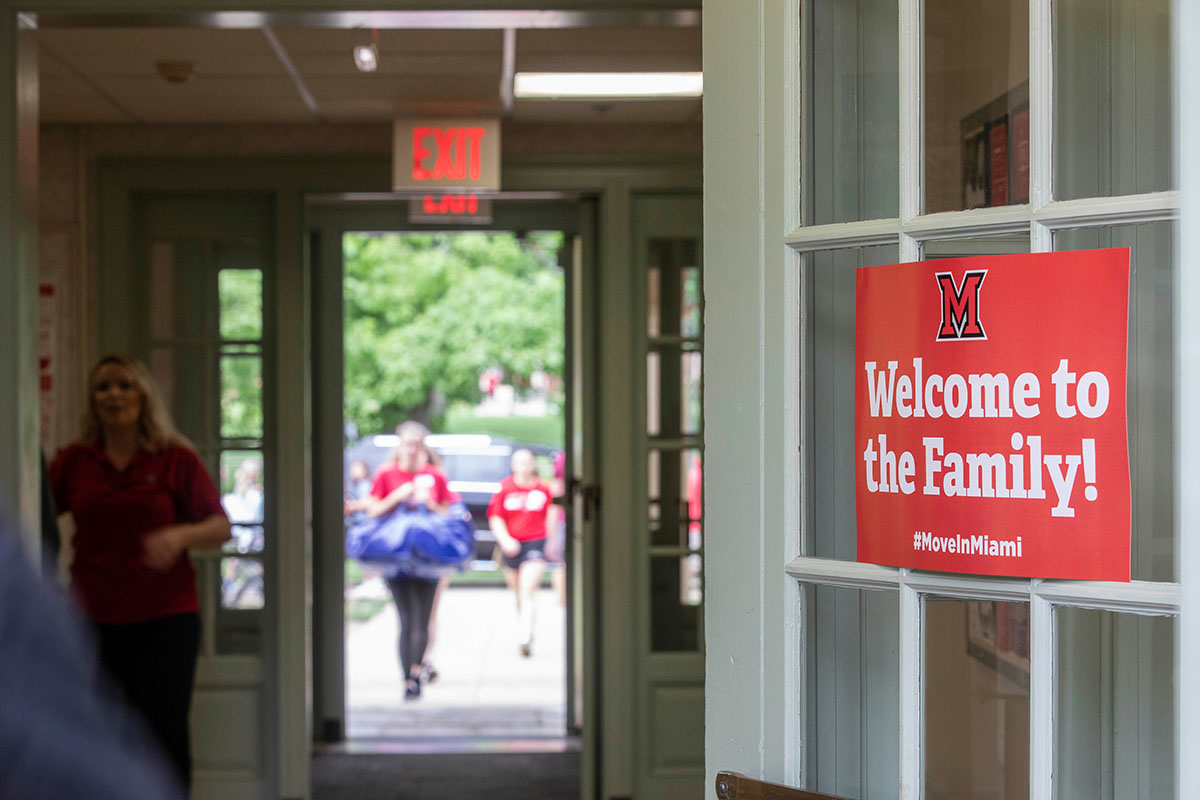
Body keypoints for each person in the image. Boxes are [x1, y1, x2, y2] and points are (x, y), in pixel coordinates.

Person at [48, 355, 232, 789]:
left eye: (125, 386)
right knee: (99, 732)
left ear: (143, 396)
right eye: (103, 387)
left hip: (165, 618)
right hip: (92, 618)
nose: (114, 395)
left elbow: (220, 526)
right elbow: (35, 517)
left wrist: (180, 536)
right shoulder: (75, 462)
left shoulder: (173, 459)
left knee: (163, 732)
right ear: (93, 401)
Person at [361, 420, 456, 700]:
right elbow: (372, 511)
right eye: (407, 444)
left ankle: (417, 672)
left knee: (423, 619)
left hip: (429, 559)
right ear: (399, 446)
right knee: (405, 619)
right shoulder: (386, 474)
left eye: (417, 445)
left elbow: (449, 515)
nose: (412, 450)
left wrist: (430, 504)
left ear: (424, 447)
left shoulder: (435, 476)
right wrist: (397, 497)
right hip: (396, 559)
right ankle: (407, 678)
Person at [488, 448, 560, 657]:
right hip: (512, 544)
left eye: (528, 461)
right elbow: (496, 517)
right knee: (518, 592)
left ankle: (525, 634)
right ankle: (524, 625)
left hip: (535, 543)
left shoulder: (543, 489)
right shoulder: (505, 488)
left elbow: (552, 515)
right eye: (519, 462)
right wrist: (505, 540)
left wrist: (551, 541)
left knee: (528, 588)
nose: (524, 466)